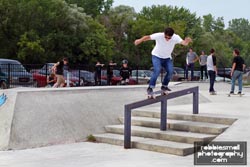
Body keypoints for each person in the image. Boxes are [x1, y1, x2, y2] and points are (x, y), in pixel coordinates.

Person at [134, 27, 192, 95]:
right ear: (164, 34)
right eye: (166, 37)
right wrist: (139, 40)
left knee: (170, 71)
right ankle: (150, 88)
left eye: (169, 38)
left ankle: (164, 86)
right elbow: (148, 37)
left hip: (167, 58)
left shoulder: (175, 37)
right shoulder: (159, 35)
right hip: (156, 56)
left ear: (172, 36)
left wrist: (186, 42)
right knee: (157, 70)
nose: (167, 39)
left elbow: (183, 43)